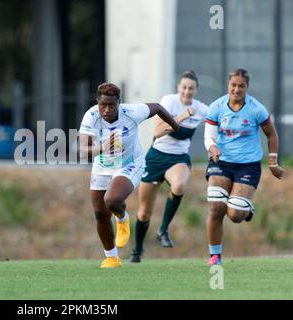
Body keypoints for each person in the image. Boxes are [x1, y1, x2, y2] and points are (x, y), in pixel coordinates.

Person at [79, 82, 179, 268]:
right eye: (103, 105)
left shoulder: (132, 112)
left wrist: (175, 126)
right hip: (102, 166)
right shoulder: (91, 116)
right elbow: (83, 150)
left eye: (111, 105)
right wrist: (103, 147)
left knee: (112, 200)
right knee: (100, 214)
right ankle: (112, 258)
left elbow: (157, 107)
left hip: (130, 164)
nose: (107, 109)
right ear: (97, 103)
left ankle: (122, 217)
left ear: (119, 103)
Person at [204, 68, 284, 265]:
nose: (236, 89)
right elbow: (209, 136)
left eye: (241, 86)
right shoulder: (216, 106)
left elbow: (272, 135)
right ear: (228, 85)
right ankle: (215, 255)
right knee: (215, 208)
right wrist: (213, 147)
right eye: (233, 85)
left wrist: (273, 162)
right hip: (220, 162)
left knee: (235, 215)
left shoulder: (257, 109)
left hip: (247, 166)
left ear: (247, 87)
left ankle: (246, 210)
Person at [130, 71, 209, 263]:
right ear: (178, 88)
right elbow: (157, 132)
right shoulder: (169, 102)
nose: (187, 91)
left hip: (179, 158)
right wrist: (181, 117)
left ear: (196, 90)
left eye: (191, 88)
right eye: (184, 87)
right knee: (144, 212)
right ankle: (138, 249)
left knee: (179, 185)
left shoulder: (202, 109)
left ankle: (163, 230)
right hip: (156, 156)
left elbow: (219, 119)